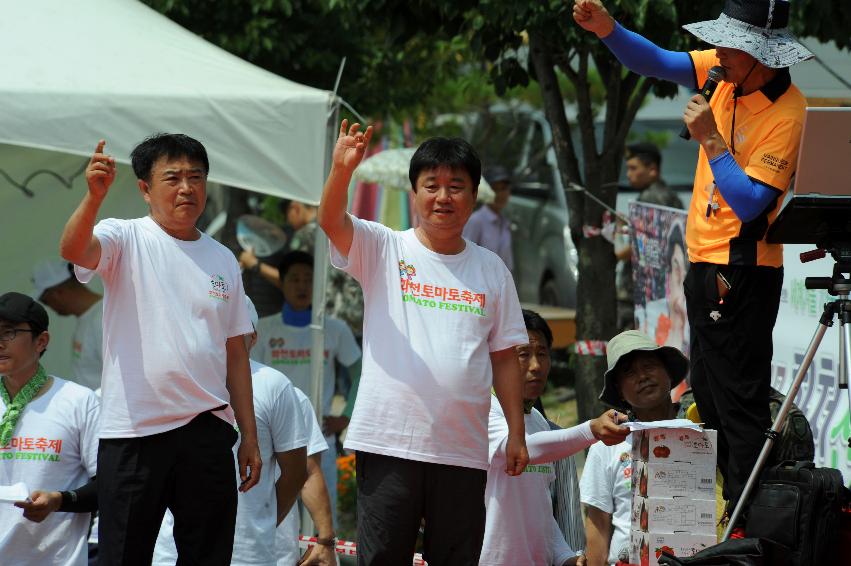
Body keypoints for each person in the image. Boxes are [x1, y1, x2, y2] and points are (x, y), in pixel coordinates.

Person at [575, 0, 812, 514]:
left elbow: (751, 201)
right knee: (706, 390)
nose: (719, 52)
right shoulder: (723, 72)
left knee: (738, 402)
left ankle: (748, 522)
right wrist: (608, 29)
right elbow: (655, 61)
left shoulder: (789, 111)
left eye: (732, 44)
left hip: (743, 270)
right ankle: (728, 506)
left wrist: (710, 139)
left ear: (761, 53)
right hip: (706, 264)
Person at [317, 120, 530, 565]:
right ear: (414, 194)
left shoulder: (492, 270)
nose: (443, 197)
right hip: (389, 443)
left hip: (463, 449)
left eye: (456, 186)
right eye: (431, 185)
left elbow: (506, 358)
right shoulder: (383, 247)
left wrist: (516, 432)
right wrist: (341, 171)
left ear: (474, 197)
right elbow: (331, 221)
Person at [59, 136, 262, 566]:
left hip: (207, 430)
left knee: (207, 556)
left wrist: (250, 436)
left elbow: (236, 354)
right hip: (135, 433)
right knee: (122, 556)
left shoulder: (223, 258)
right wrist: (93, 199)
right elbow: (75, 250)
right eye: (173, 178)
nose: (187, 188)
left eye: (196, 177)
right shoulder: (124, 236)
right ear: (145, 189)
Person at [152, 297, 308, 566]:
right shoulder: (177, 380)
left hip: (248, 554)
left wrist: (261, 522)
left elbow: (294, 473)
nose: (226, 342)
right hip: (172, 549)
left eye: (237, 334)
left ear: (254, 338)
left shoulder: (274, 386)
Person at [481, 309, 629, 566]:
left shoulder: (539, 421)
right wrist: (591, 430)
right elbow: (525, 448)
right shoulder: (484, 410)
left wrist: (565, 558)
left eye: (543, 354)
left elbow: (541, 512)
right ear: (498, 359)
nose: (536, 366)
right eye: (524, 354)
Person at [253, 249, 362, 528]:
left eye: (308, 279)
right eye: (294, 279)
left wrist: (346, 417)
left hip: (318, 442)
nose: (301, 286)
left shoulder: (334, 329)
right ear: (282, 283)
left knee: (321, 524)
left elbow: (362, 372)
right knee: (273, 523)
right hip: (271, 443)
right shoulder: (263, 329)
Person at [0, 292, 99, 565]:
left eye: (8, 332)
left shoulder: (79, 401)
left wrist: (59, 500)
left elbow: (110, 486)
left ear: (41, 341)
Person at [580, 330, 689, 566]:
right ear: (619, 390)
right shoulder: (608, 444)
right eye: (629, 373)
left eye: (649, 366)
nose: (642, 377)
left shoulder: (699, 431)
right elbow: (598, 524)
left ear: (668, 372)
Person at [240, 199, 366, 340]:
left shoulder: (305, 235)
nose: (288, 222)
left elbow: (292, 281)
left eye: (287, 215)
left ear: (295, 208)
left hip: (332, 324)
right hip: (357, 318)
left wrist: (254, 265)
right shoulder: (335, 228)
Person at [615, 143, 683, 331]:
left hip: (641, 289)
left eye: (634, 168)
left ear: (652, 169)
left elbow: (643, 246)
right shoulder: (669, 195)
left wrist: (617, 250)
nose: (628, 174)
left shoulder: (649, 199)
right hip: (663, 289)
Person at [277, 386, 339, 566]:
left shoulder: (286, 394)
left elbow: (309, 473)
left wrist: (326, 541)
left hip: (276, 553)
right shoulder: (195, 393)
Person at [32, 259, 103, 390]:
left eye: (46, 302)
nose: (49, 307)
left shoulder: (103, 319)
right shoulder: (89, 319)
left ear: (57, 293)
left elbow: (125, 377)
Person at [462, 165, 514, 271]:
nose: (500, 194)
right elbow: (464, 259)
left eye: (503, 188)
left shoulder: (504, 223)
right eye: (495, 189)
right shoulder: (476, 221)